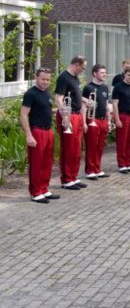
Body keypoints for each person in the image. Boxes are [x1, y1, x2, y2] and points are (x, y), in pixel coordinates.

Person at [21, 68, 60, 203]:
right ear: (36, 77)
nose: (45, 82)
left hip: (48, 131)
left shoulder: (47, 92)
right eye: (43, 79)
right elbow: (24, 115)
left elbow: (46, 110)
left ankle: (44, 189)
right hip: (36, 132)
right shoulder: (30, 94)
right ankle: (35, 192)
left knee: (47, 162)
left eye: (48, 80)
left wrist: (60, 110)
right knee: (36, 163)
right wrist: (29, 135)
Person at [55, 55, 88, 190]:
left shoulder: (74, 78)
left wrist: (86, 101)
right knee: (68, 148)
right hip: (68, 116)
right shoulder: (63, 77)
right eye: (82, 67)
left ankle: (73, 177)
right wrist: (65, 117)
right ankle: (67, 179)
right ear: (76, 64)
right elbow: (58, 98)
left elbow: (76, 97)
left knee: (76, 149)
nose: (83, 70)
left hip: (77, 115)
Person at [82, 64, 111, 180]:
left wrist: (109, 121)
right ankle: (90, 171)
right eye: (102, 73)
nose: (104, 74)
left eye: (105, 72)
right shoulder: (88, 88)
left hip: (103, 120)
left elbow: (106, 105)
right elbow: (83, 106)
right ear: (95, 73)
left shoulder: (104, 87)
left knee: (100, 146)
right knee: (91, 146)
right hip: (92, 120)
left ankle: (97, 169)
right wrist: (84, 122)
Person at [112, 66, 130, 173]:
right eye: (129, 75)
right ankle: (122, 164)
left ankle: (129, 163)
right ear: (124, 74)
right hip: (123, 116)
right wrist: (117, 119)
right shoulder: (118, 87)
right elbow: (115, 104)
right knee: (122, 141)